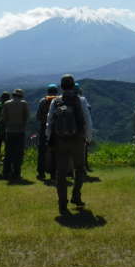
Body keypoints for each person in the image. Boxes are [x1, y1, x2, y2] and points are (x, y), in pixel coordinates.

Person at [46, 74, 92, 215]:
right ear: (73, 86)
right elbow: (87, 119)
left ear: (61, 86)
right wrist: (88, 137)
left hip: (61, 141)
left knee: (61, 172)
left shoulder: (56, 101)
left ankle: (62, 203)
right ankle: (76, 197)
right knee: (79, 169)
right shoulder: (81, 100)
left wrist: (49, 137)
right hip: (77, 139)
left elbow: (50, 121)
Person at [0, 89, 30, 181]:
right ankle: (17, 173)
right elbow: (27, 117)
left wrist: (9, 124)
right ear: (21, 96)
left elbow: (4, 117)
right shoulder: (24, 103)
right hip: (20, 131)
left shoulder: (7, 104)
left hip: (9, 131)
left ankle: (6, 172)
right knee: (18, 153)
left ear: (13, 95)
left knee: (8, 152)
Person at [36, 85, 58, 181]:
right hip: (56, 129)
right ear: (56, 92)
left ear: (48, 91)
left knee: (42, 151)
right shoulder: (60, 101)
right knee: (55, 151)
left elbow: (38, 116)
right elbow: (64, 113)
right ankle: (54, 173)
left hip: (44, 127)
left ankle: (41, 173)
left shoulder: (43, 101)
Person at [75, 83, 94, 173]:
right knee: (83, 150)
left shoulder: (63, 100)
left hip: (68, 129)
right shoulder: (82, 100)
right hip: (81, 129)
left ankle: (71, 170)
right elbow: (88, 111)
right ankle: (83, 167)